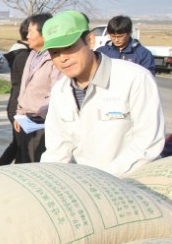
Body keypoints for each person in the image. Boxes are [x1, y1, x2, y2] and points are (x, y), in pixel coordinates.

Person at [41, 10, 165, 176]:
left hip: (129, 184)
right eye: (54, 52)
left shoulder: (134, 78)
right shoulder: (60, 91)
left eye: (69, 47)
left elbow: (147, 144)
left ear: (90, 41)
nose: (62, 58)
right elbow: (57, 149)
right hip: (85, 185)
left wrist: (103, 180)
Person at [13, 13, 62, 164]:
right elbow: (24, 86)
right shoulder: (33, 54)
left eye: (30, 32)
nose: (27, 35)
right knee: (23, 159)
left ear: (43, 34)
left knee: (35, 162)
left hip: (41, 121)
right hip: (26, 119)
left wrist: (41, 113)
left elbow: (56, 91)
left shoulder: (54, 58)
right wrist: (20, 112)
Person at [0, 17, 31, 166]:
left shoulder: (21, 52)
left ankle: (1, 170)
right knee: (20, 146)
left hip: (16, 104)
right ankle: (1, 171)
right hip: (18, 106)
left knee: (18, 145)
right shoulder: (23, 56)